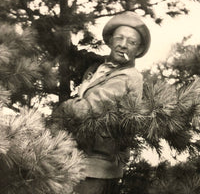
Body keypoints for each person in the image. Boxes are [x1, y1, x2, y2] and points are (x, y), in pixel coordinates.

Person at [55, 11, 151, 194]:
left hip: (96, 166)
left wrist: (61, 109)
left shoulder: (128, 77)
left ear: (138, 50)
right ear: (110, 40)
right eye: (119, 38)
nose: (123, 45)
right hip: (81, 157)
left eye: (131, 42)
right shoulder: (99, 68)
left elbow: (88, 109)